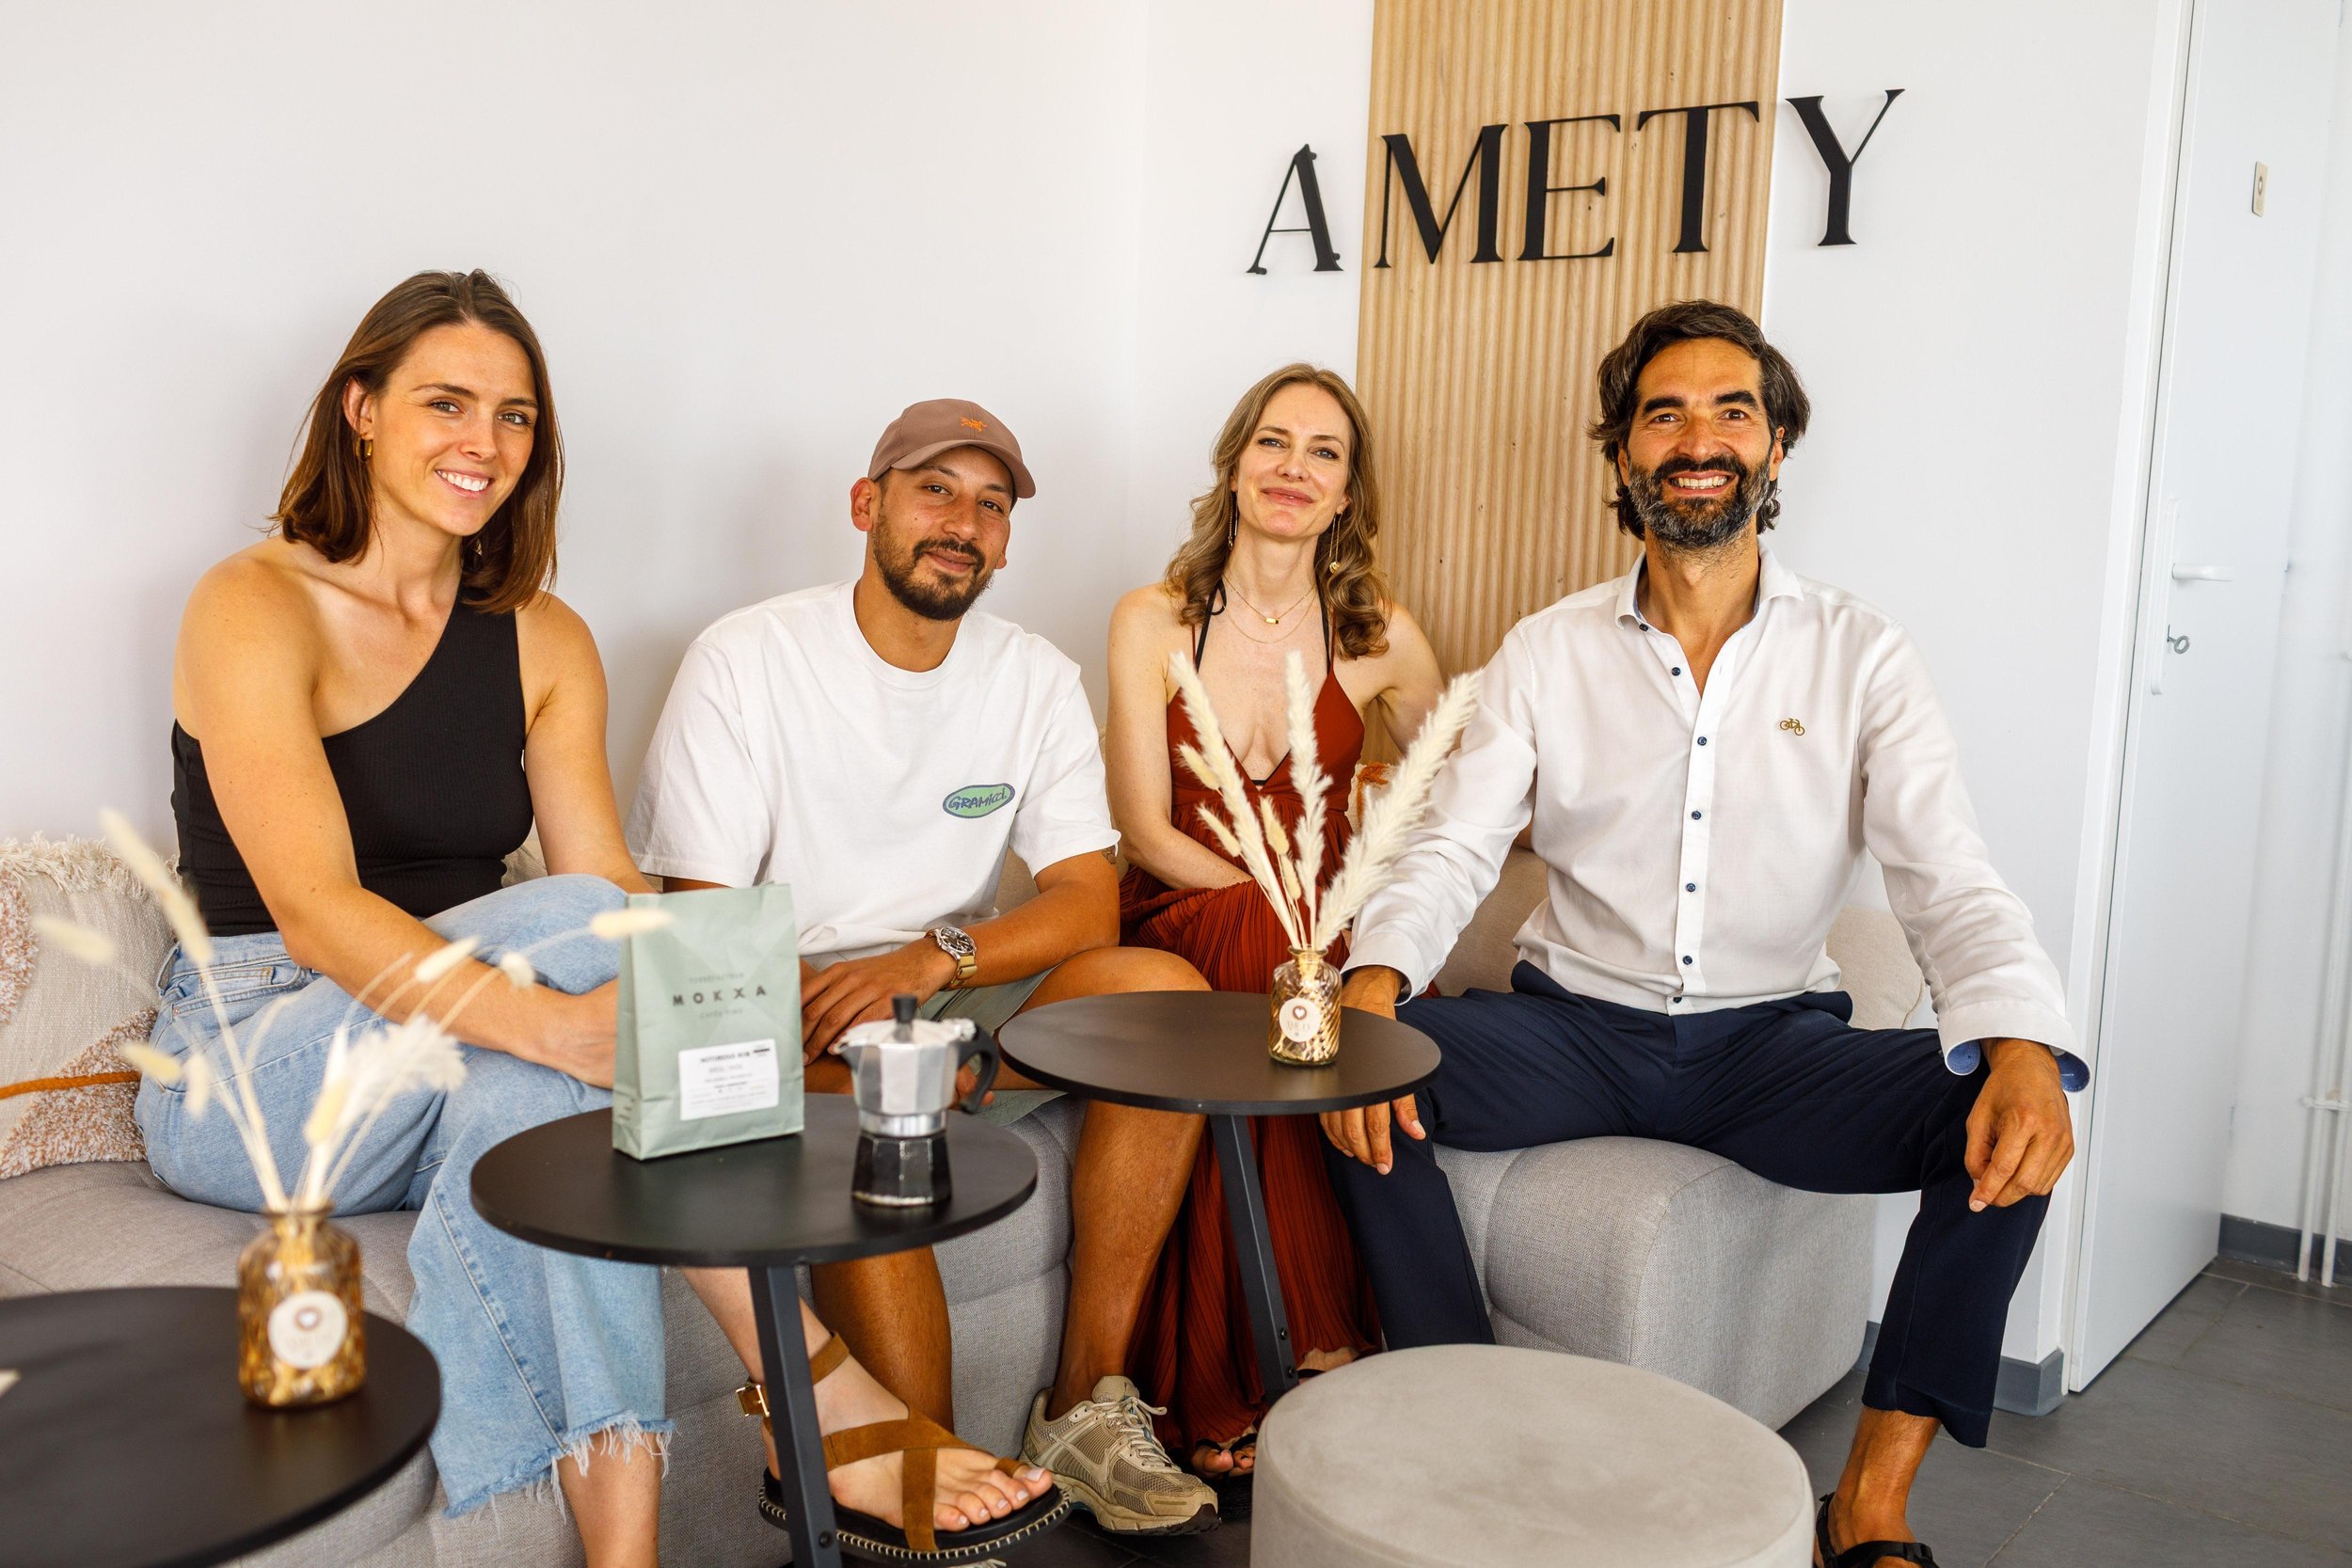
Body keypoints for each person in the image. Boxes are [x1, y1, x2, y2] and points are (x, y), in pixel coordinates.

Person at [137, 272, 1057, 1568]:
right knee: (580, 947)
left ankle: (624, 1558)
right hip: (255, 1061)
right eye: (447, 403)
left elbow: (621, 899)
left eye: (515, 416)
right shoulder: (250, 603)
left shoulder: (544, 636)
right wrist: (572, 1025)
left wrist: (716, 1029)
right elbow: (320, 913)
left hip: (450, 1060)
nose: (484, 441)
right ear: (360, 408)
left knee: (545, 1117)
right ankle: (818, 1391)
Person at [1318, 300, 2087, 1568]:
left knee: (2019, 1111)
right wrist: (1374, 984)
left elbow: (1948, 876)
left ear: (1775, 445)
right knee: (1346, 1069)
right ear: (1624, 451)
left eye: (1733, 410)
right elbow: (1451, 845)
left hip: (1772, 1047)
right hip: (1572, 1029)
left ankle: (1870, 1500)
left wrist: (2018, 1041)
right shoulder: (1544, 651)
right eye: (1663, 413)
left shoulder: (1862, 654)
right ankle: (1468, 1414)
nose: (1698, 438)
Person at [628, 398, 1225, 1537]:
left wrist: (934, 963)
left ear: (1006, 541)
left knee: (1166, 1001)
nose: (962, 522)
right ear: (867, 505)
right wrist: (863, 1028)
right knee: (878, 1121)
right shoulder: (747, 658)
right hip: (799, 998)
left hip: (950, 982)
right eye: (934, 490)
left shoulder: (1031, 675)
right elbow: (704, 926)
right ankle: (922, 1489)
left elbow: (1087, 901)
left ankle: (1084, 1410)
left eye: (990, 505)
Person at [1104, 365, 1441, 1476]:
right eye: (1274, 442)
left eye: (1323, 452)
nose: (1294, 467)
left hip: (1319, 925)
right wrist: (1279, 920)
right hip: (1183, 904)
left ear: (1347, 491)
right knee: (1278, 967)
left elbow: (1453, 798)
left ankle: (1241, 1362)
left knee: (1312, 983)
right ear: (1235, 464)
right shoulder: (1151, 618)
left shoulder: (1381, 636)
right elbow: (1143, 827)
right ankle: (1314, 1342)